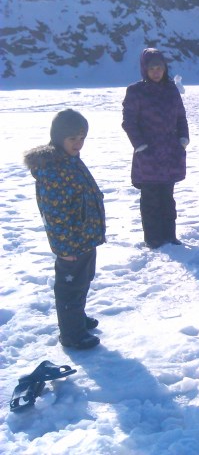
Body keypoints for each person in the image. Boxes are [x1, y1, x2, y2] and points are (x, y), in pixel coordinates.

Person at [23, 109, 106, 350]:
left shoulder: (71, 160)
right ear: (59, 138)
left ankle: (76, 319)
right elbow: (55, 215)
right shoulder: (53, 169)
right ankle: (71, 335)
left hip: (84, 236)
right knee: (70, 288)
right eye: (73, 139)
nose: (78, 144)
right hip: (71, 243)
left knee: (83, 280)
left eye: (82, 138)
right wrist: (64, 248)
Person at [122, 48, 190, 248]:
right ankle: (153, 238)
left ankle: (170, 235)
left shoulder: (171, 90)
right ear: (145, 69)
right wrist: (140, 145)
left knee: (167, 197)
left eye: (159, 67)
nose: (156, 72)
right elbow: (129, 122)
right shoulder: (136, 91)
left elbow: (181, 117)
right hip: (148, 153)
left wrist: (183, 139)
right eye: (152, 68)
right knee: (150, 198)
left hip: (170, 152)